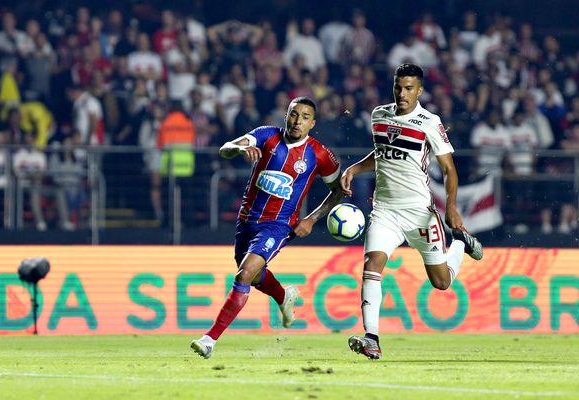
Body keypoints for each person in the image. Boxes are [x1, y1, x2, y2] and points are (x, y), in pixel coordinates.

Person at [340, 64, 484, 360]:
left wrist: (452, 209)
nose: (402, 93)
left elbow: (449, 170)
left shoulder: (429, 122)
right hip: (385, 211)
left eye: (408, 88)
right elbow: (381, 154)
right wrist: (355, 167)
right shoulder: (378, 115)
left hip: (419, 214)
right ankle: (372, 339)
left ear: (419, 90)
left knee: (441, 283)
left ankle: (459, 243)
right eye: (398, 87)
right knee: (371, 267)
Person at [191, 97, 343, 358]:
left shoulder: (318, 154)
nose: (298, 121)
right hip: (247, 221)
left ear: (312, 123)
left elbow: (338, 190)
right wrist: (238, 150)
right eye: (294, 115)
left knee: (244, 274)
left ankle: (209, 339)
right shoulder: (266, 135)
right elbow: (225, 148)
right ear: (286, 115)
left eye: (305, 117)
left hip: (279, 225)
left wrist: (312, 219)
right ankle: (284, 296)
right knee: (255, 275)